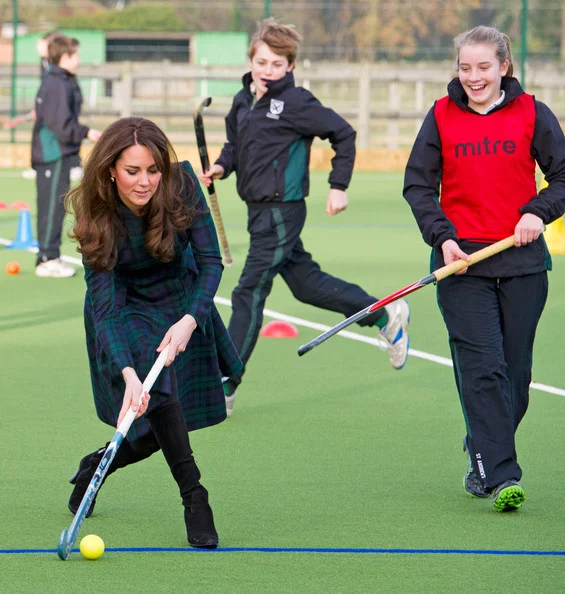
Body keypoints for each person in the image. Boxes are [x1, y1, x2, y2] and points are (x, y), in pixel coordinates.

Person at [199, 18, 410, 416]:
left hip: (283, 211)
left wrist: (338, 186)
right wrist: (221, 168)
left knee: (248, 291)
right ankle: (385, 314)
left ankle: (224, 384)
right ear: (251, 59)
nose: (268, 71)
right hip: (257, 212)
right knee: (305, 285)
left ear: (290, 66)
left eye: (277, 65)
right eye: (262, 62)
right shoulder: (243, 101)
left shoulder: (297, 104)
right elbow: (234, 146)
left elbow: (343, 134)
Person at [403, 25, 565, 512]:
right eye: (465, 67)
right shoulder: (441, 116)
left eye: (483, 67)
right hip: (461, 267)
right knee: (482, 370)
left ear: (504, 68)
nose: (473, 77)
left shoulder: (533, 113)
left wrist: (537, 211)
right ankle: (500, 475)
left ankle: (481, 451)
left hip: (522, 264)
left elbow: (562, 177)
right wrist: (443, 237)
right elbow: (417, 186)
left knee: (515, 376)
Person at [64, 116, 242, 548]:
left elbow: (211, 262)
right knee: (155, 396)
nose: (145, 182)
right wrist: (127, 373)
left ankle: (100, 464)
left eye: (152, 170)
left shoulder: (181, 184)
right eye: (132, 172)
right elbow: (104, 308)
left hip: (179, 302)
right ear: (110, 169)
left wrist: (190, 320)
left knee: (158, 423)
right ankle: (195, 497)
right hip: (124, 306)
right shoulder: (96, 211)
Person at [31, 34, 101, 278]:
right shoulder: (56, 83)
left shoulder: (63, 80)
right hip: (53, 153)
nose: (78, 60)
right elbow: (62, 125)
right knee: (52, 208)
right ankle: (47, 258)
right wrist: (88, 132)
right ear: (64, 57)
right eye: (75, 55)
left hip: (61, 152)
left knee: (57, 206)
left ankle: (51, 255)